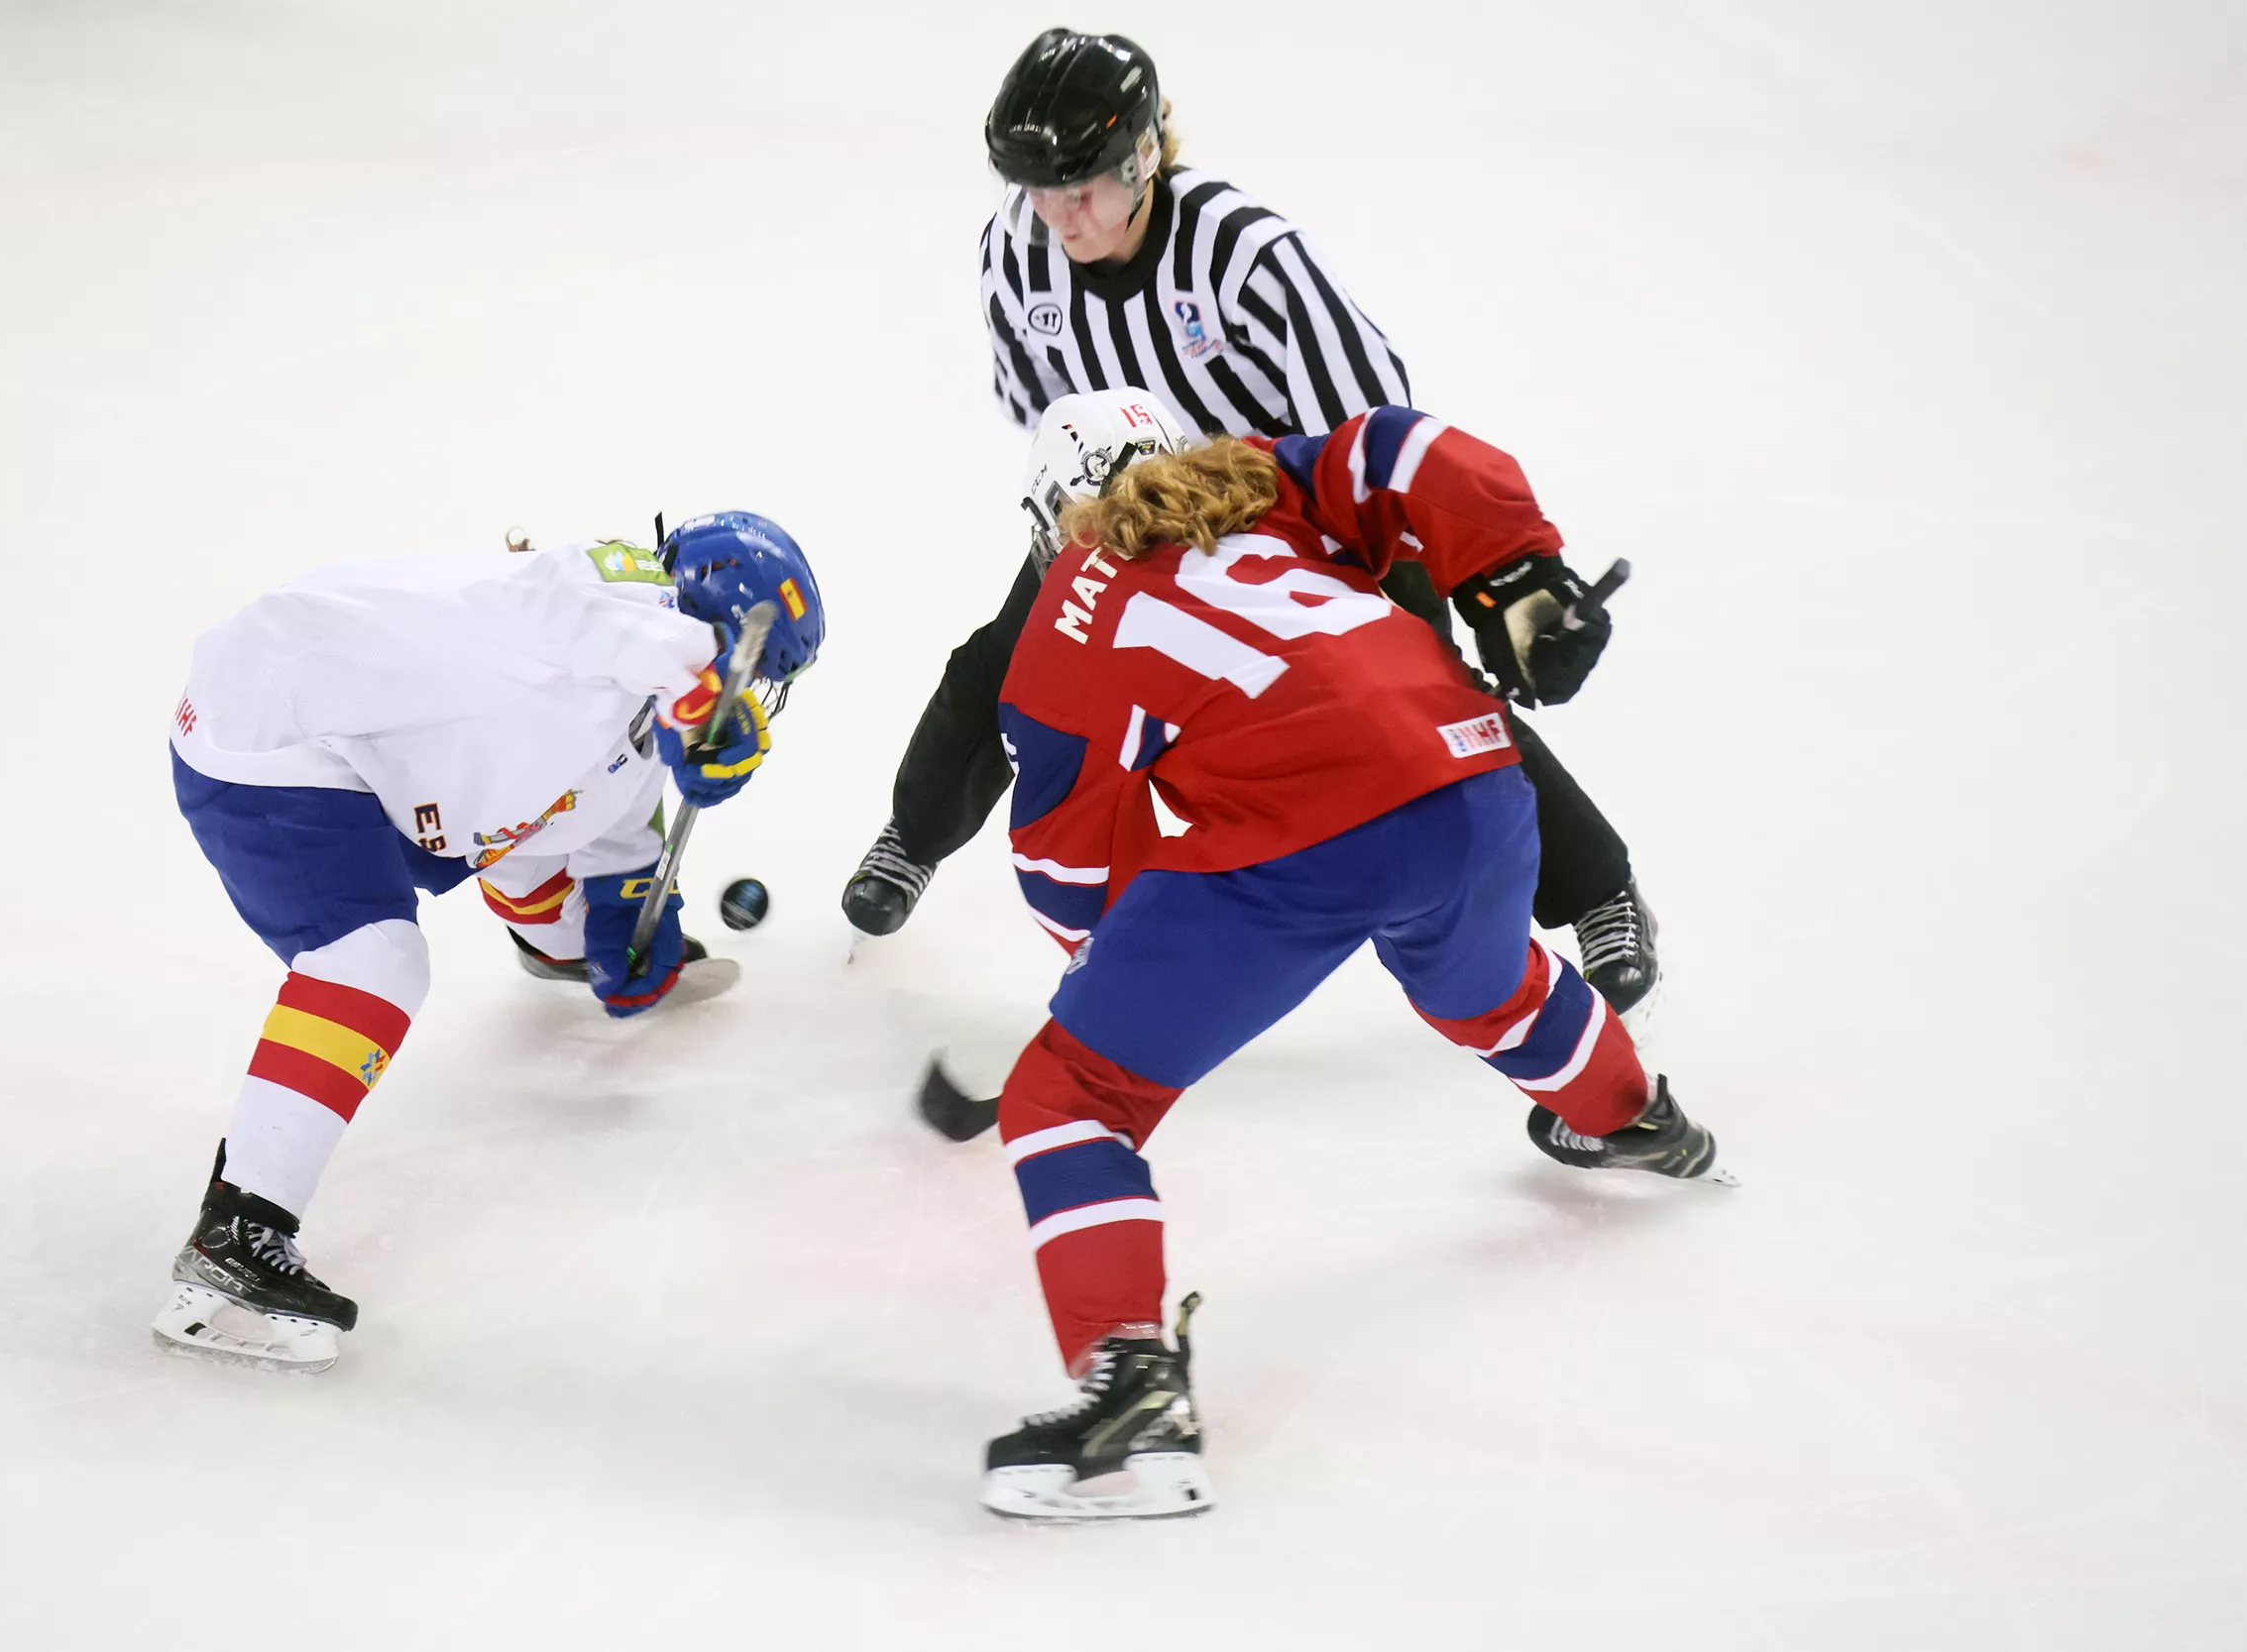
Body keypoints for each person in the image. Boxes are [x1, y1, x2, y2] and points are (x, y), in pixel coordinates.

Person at [970, 389, 1728, 1521]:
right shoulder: (1257, 479)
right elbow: (1408, 445)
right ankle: (1631, 1116)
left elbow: (1066, 869)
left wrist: (1105, 990)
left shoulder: (1064, 618)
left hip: (1314, 835)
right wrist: (1517, 571)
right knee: (1483, 981)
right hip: (1477, 775)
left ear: (1050, 513)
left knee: (1071, 1094)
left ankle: (1131, 1389)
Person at [843, 28, 1661, 1029]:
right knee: (1002, 664)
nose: (1060, 215)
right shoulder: (1015, 249)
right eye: (1037, 189)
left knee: (1428, 708)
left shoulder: (1244, 255)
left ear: (1143, 155)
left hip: (1291, 507)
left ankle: (1599, 890)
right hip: (1133, 508)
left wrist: (1471, 579)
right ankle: (912, 834)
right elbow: (1047, 415)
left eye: (1084, 186)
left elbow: (1375, 426)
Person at [153, 515, 825, 1373]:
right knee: (373, 963)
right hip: (267, 728)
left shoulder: (645, 699)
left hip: (366, 753)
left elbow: (606, 809)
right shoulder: (601, 595)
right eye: (746, 668)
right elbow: (570, 606)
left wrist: (626, 909)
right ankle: (236, 1238)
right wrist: (694, 683)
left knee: (538, 830)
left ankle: (551, 938)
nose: (747, 693)